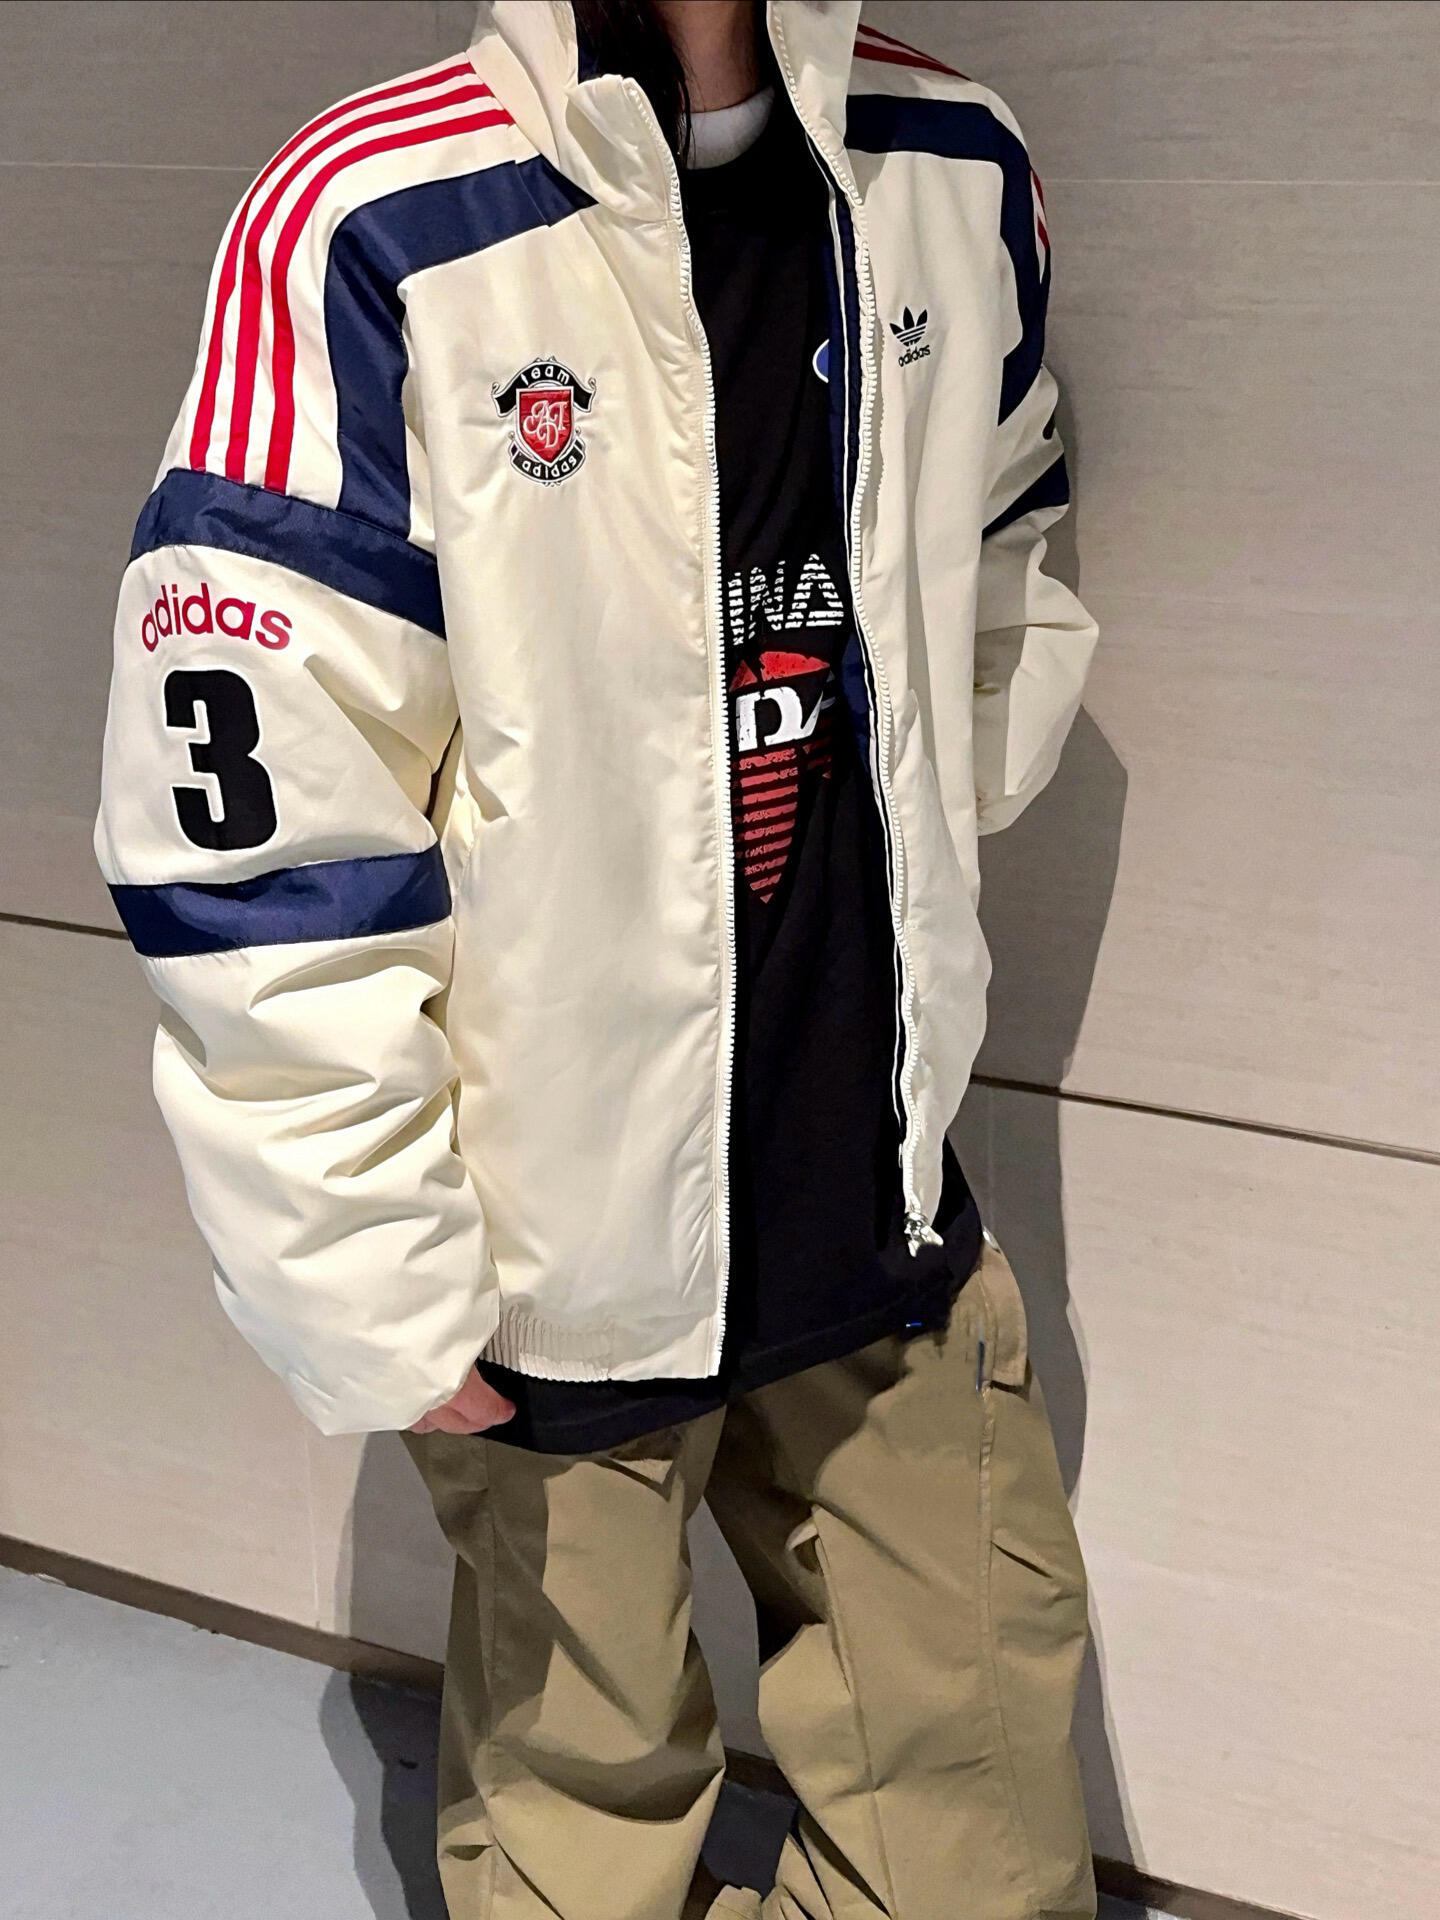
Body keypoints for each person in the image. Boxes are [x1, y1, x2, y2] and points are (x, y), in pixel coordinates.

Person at [96, 2, 1100, 1914]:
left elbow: (1006, 533)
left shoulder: (952, 158)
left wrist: (923, 853)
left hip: (872, 1200)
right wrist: (371, 1275)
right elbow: (257, 817)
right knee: (580, 1839)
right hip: (552, 1252)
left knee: (978, 1850)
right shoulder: (374, 218)